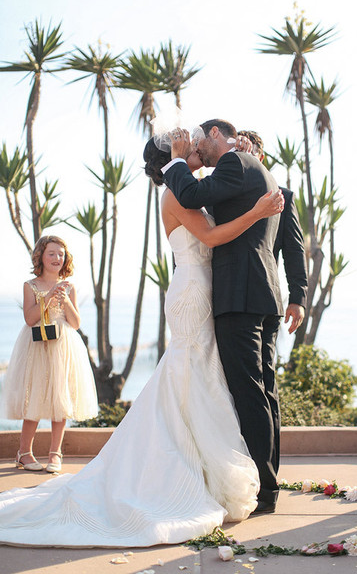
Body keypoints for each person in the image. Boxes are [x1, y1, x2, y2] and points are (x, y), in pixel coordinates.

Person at [0, 139, 283, 547]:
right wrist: (257, 211)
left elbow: (219, 201)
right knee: (191, 371)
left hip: (201, 287)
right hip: (193, 291)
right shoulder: (176, 193)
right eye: (187, 143)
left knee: (197, 373)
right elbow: (212, 237)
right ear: (174, 156)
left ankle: (201, 464)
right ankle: (179, 468)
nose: (196, 144)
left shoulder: (189, 189)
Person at [163, 120, 284, 514]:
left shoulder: (235, 162)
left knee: (249, 392)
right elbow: (209, 207)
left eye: (199, 142)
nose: (197, 149)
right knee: (262, 390)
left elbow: (193, 194)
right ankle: (268, 482)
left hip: (240, 293)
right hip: (260, 292)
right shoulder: (251, 166)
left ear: (215, 134)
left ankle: (263, 488)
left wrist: (175, 161)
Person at [1, 236, 98, 474]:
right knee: (34, 397)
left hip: (62, 347)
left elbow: (75, 323)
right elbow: (29, 318)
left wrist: (65, 302)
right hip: (37, 346)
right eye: (52, 253)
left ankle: (56, 453)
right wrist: (47, 297)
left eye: (61, 254)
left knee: (60, 398)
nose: (57, 258)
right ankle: (24, 452)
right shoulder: (30, 285)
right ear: (41, 257)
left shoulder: (69, 287)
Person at [238, 130, 308, 334]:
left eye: (251, 154)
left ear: (260, 158)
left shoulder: (283, 197)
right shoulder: (218, 195)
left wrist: (297, 300)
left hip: (267, 298)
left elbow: (294, 250)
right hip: (228, 301)